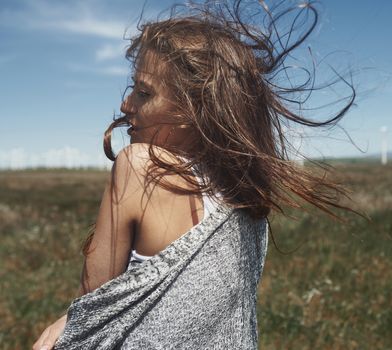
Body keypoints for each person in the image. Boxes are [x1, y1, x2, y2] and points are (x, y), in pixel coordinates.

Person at [33, 1, 366, 349]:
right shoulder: (245, 194)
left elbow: (94, 314)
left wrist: (72, 319)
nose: (126, 105)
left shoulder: (139, 165)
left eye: (144, 92)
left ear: (193, 112)